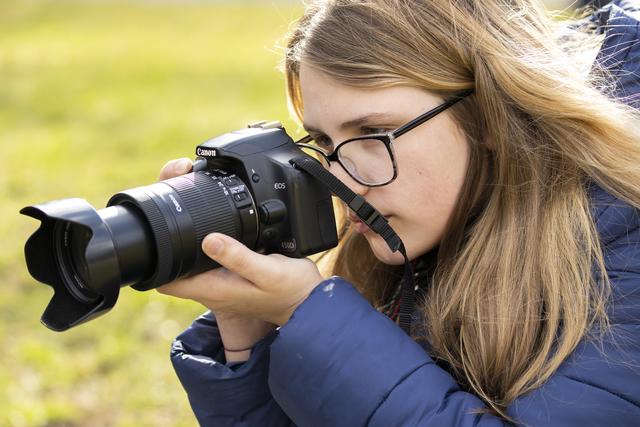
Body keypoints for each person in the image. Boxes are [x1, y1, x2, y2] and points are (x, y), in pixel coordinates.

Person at [157, 0, 640, 425]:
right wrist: (246, 329)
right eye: (324, 142)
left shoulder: (625, 230)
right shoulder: (400, 240)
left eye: (373, 130)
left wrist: (311, 317)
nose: (342, 181)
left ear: (492, 115)